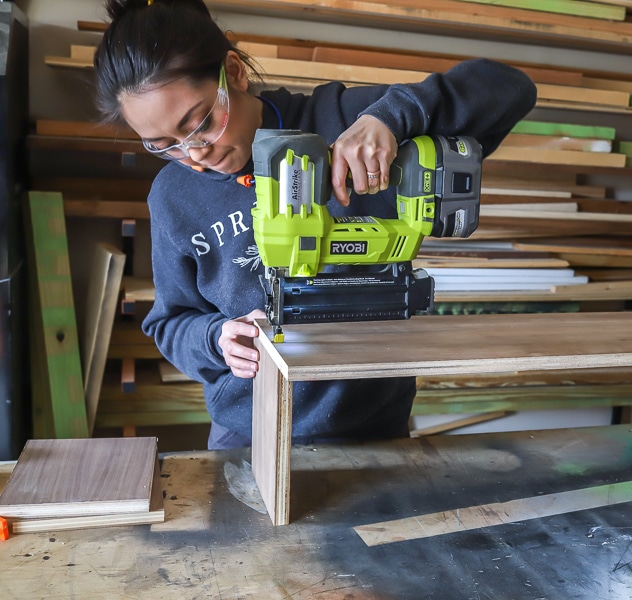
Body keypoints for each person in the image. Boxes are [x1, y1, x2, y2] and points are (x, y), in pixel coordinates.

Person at [93, 0, 538, 450]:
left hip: (373, 424)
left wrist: (389, 118)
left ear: (234, 72)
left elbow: (509, 89)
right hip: (248, 428)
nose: (194, 154)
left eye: (201, 123)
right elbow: (170, 323)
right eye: (163, 144)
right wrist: (215, 338)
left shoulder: (340, 118)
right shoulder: (174, 195)